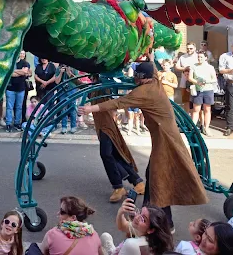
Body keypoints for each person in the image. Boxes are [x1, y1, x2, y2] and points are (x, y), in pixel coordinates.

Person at [79, 62, 209, 230]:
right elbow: (152, 68)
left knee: (158, 180)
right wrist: (149, 53)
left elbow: (119, 103)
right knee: (153, 176)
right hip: (165, 138)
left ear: (143, 79)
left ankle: (165, 224)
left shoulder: (145, 91)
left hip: (165, 141)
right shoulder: (155, 81)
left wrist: (91, 108)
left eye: (137, 77)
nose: (134, 80)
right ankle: (151, 214)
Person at [86, 75, 144, 203]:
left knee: (106, 154)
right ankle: (137, 181)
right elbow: (82, 85)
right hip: (102, 127)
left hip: (108, 127)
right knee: (116, 155)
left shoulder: (103, 86)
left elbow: (111, 98)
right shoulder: (93, 87)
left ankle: (118, 186)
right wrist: (67, 73)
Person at [100, 199, 173, 255]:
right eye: (140, 212)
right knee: (105, 236)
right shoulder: (153, 239)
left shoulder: (132, 244)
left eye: (143, 219)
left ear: (151, 230)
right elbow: (123, 226)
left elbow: (123, 227)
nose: (137, 217)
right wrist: (121, 212)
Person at [37, 196, 102, 255]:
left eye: (62, 211)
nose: (58, 213)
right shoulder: (93, 234)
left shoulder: (52, 234)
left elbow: (41, 252)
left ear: (73, 218)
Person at [187, 50, 217, 136]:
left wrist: (206, 81)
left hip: (208, 90)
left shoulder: (210, 67)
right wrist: (197, 82)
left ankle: (206, 127)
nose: (199, 59)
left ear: (206, 58)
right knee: (196, 109)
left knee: (207, 109)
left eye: (201, 57)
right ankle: (193, 128)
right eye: (198, 57)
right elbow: (190, 78)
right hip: (198, 90)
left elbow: (214, 79)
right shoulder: (193, 66)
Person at [5, 51, 31, 133]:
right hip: (10, 88)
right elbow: (9, 73)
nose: (20, 54)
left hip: (21, 88)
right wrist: (20, 71)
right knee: (9, 107)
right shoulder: (9, 61)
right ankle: (8, 123)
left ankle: (17, 123)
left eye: (21, 53)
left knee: (19, 107)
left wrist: (14, 71)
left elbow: (25, 72)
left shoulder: (25, 63)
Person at [175, 43, 198, 112]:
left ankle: (194, 119)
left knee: (196, 101)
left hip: (195, 82)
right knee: (186, 100)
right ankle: (187, 117)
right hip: (184, 81)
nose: (189, 50)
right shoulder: (183, 57)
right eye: (187, 48)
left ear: (195, 48)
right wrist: (185, 68)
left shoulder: (198, 57)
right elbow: (177, 67)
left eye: (191, 48)